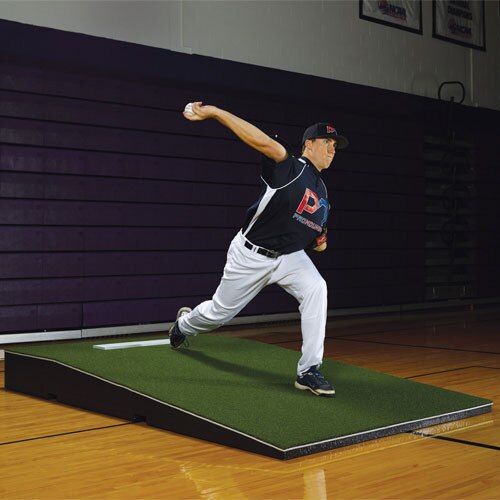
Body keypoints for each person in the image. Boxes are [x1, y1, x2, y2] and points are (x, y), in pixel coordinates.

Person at [169, 102, 348, 397]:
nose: (332, 149)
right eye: (327, 142)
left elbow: (318, 237)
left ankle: (309, 370)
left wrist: (319, 239)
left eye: (335, 145)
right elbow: (261, 140)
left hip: (288, 256)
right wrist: (215, 112)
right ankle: (184, 324)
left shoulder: (323, 190)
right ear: (309, 144)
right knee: (218, 314)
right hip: (251, 255)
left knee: (317, 288)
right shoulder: (289, 166)